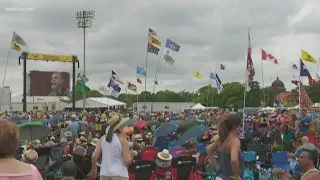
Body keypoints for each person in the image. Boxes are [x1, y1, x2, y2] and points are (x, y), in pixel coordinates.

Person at [88, 115, 134, 180]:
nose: (123, 126)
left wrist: (94, 168)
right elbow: (127, 160)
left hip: (104, 173)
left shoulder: (102, 138)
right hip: (119, 173)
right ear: (119, 127)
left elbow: (94, 156)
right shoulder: (123, 140)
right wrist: (131, 154)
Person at [206, 115, 245, 180]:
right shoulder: (234, 141)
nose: (241, 128)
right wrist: (236, 176)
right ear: (236, 127)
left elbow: (209, 150)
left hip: (220, 177)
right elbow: (234, 160)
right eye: (240, 126)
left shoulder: (220, 139)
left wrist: (216, 167)